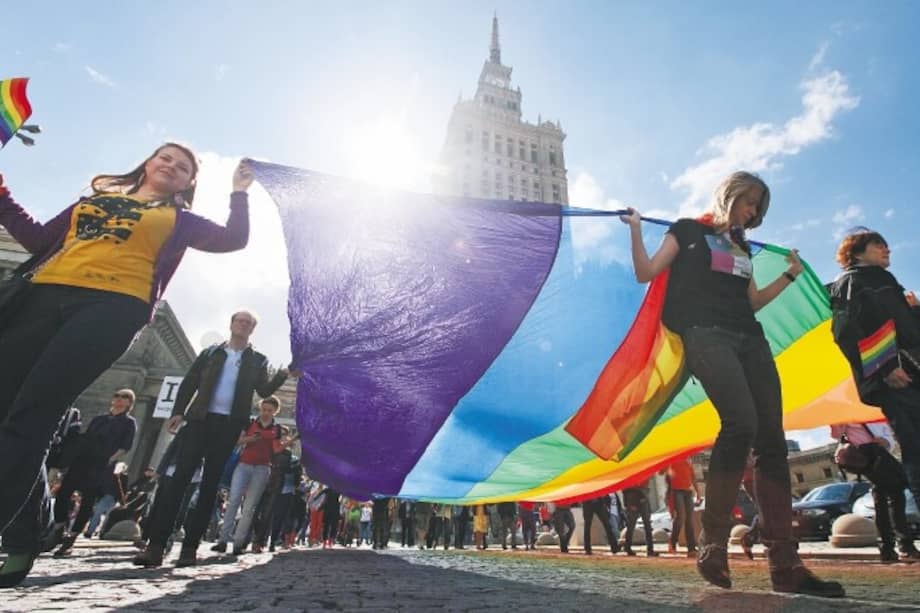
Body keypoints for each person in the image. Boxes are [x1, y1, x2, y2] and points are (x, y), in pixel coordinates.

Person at [0, 144, 251, 587]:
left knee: (32, 417)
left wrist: (238, 192)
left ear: (189, 182)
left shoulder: (180, 220)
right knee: (11, 418)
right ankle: (26, 532)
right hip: (43, 296)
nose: (171, 166)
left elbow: (234, 239)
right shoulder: (94, 199)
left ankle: (12, 536)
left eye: (184, 166)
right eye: (165, 157)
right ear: (148, 163)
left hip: (114, 306)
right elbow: (38, 239)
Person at [621, 171, 844, 597]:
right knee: (740, 423)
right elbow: (645, 272)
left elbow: (753, 301)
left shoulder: (741, 246)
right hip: (705, 334)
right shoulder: (687, 231)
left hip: (750, 339)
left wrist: (792, 275)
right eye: (750, 201)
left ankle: (786, 565)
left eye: (759, 207)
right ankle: (714, 544)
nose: (753, 211)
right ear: (732, 195)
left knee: (772, 443)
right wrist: (635, 229)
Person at [133, 309, 294, 568]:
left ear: (252, 329)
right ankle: (156, 546)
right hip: (199, 421)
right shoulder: (211, 353)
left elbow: (263, 390)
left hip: (229, 427)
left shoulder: (258, 360)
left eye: (248, 323)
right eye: (239, 321)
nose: (243, 325)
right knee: (178, 482)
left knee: (209, 487)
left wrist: (284, 373)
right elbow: (189, 383)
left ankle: (189, 549)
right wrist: (178, 412)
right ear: (231, 324)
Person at [829, 227, 920, 529]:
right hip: (894, 379)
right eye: (878, 244)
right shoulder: (850, 282)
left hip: (912, 371)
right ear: (855, 252)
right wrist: (883, 369)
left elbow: (905, 330)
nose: (887, 249)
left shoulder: (887, 282)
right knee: (916, 449)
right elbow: (845, 333)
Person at [50, 389, 138, 556]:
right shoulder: (99, 419)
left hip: (101, 464)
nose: (119, 399)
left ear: (129, 403)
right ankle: (59, 527)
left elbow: (125, 446)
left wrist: (110, 460)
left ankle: (72, 537)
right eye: (117, 395)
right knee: (63, 493)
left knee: (87, 501)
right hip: (82, 460)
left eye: (124, 397)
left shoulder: (128, 422)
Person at [830, 421, 918, 562]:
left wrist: (886, 442)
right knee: (897, 489)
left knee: (882, 496)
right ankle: (904, 546)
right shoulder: (848, 412)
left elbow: (888, 436)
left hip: (878, 453)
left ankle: (888, 549)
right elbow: (836, 435)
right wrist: (838, 422)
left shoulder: (875, 414)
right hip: (866, 454)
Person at [211, 397, 285, 555]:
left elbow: (276, 449)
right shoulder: (250, 422)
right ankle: (223, 540)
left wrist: (289, 442)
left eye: (269, 410)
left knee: (249, 507)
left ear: (275, 411)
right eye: (263, 409)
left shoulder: (276, 429)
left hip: (262, 468)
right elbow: (237, 441)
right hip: (243, 465)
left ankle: (238, 542)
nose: (265, 413)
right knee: (234, 500)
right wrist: (250, 439)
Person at [664, 456, 700, 556]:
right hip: (676, 491)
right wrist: (668, 472)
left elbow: (693, 477)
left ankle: (691, 549)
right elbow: (662, 472)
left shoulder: (688, 459)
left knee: (690, 519)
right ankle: (672, 542)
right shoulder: (672, 456)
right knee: (680, 517)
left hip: (688, 491)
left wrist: (698, 493)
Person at [622, 480, 657, 557]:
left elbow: (646, 483)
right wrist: (628, 503)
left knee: (647, 525)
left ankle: (650, 550)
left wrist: (646, 494)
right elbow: (624, 487)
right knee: (631, 525)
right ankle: (627, 547)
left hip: (642, 496)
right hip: (632, 496)